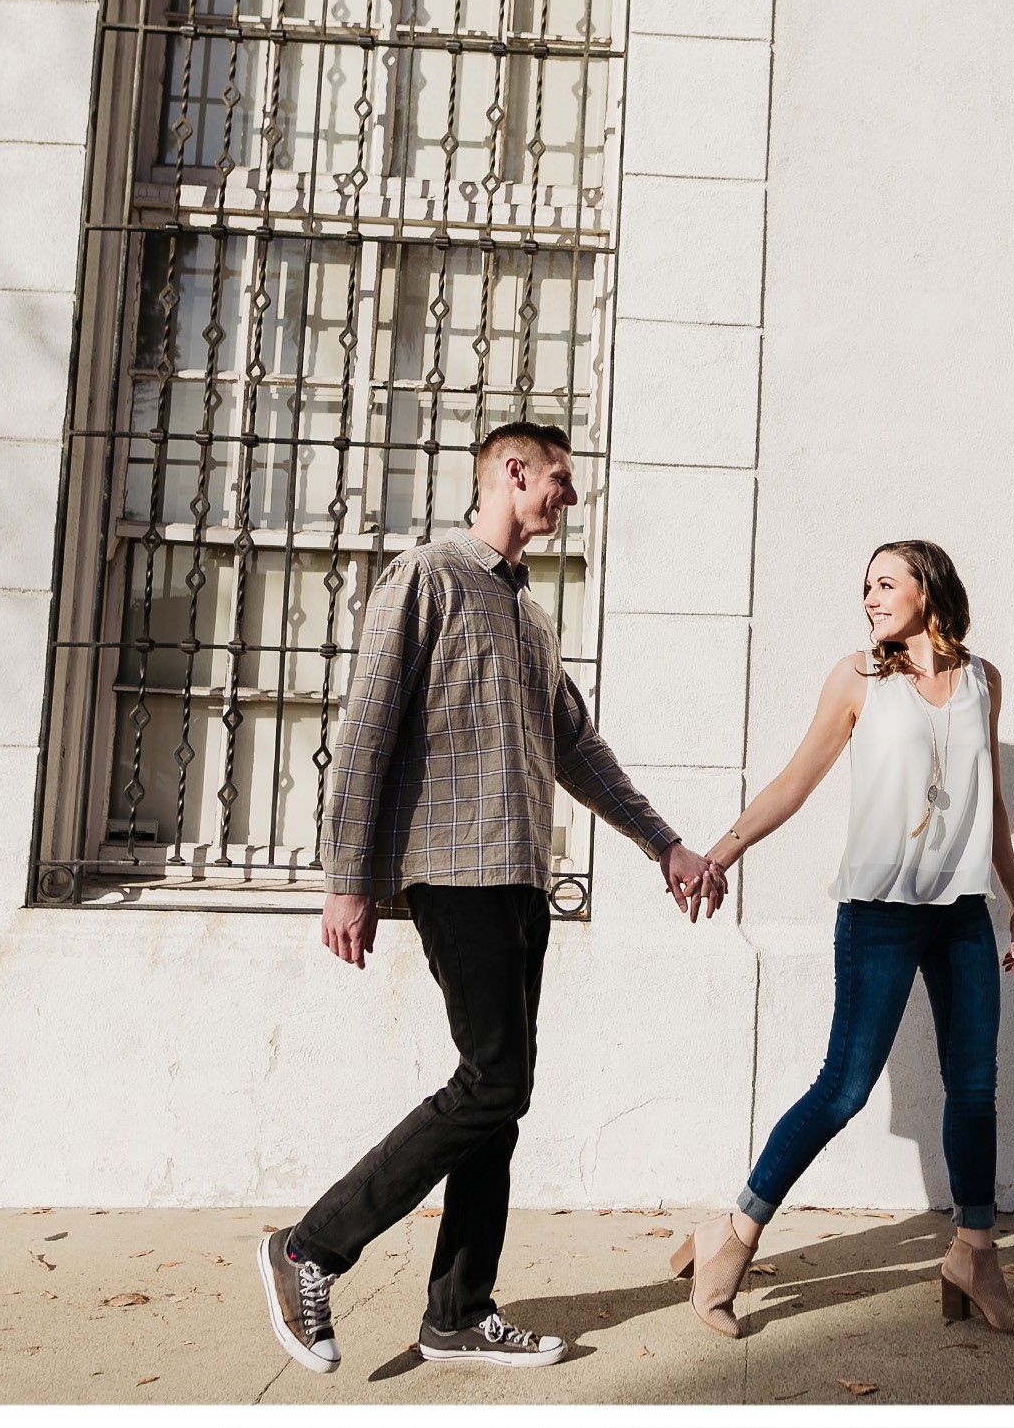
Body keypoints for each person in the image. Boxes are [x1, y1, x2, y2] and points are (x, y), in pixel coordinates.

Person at [257, 421, 724, 1373]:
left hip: (518, 877)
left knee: (500, 1099)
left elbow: (580, 750)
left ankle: (459, 1310)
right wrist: (345, 878)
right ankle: (309, 1248)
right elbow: (365, 729)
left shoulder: (529, 616)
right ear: (512, 472)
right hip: (450, 870)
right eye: (559, 478)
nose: (569, 495)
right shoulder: (427, 576)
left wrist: (662, 843)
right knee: (494, 1082)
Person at [671, 539, 1014, 1339]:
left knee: (975, 1088)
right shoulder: (858, 677)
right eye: (865, 586)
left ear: (929, 588)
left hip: (962, 911)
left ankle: (975, 1257)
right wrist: (719, 852)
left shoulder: (984, 681)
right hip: (878, 909)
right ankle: (731, 1238)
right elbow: (796, 781)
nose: (870, 597)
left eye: (885, 582)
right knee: (843, 1089)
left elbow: (993, 804)